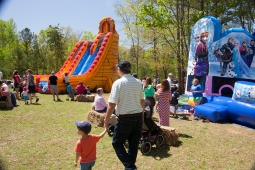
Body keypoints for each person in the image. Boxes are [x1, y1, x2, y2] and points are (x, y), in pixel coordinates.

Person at [103, 60, 144, 170]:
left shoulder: (118, 83)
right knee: (133, 144)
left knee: (117, 143)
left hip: (125, 118)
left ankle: (130, 167)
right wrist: (142, 116)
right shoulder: (138, 82)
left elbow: (111, 104)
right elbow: (142, 101)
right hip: (138, 116)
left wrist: (106, 120)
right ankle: (130, 167)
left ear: (119, 70)